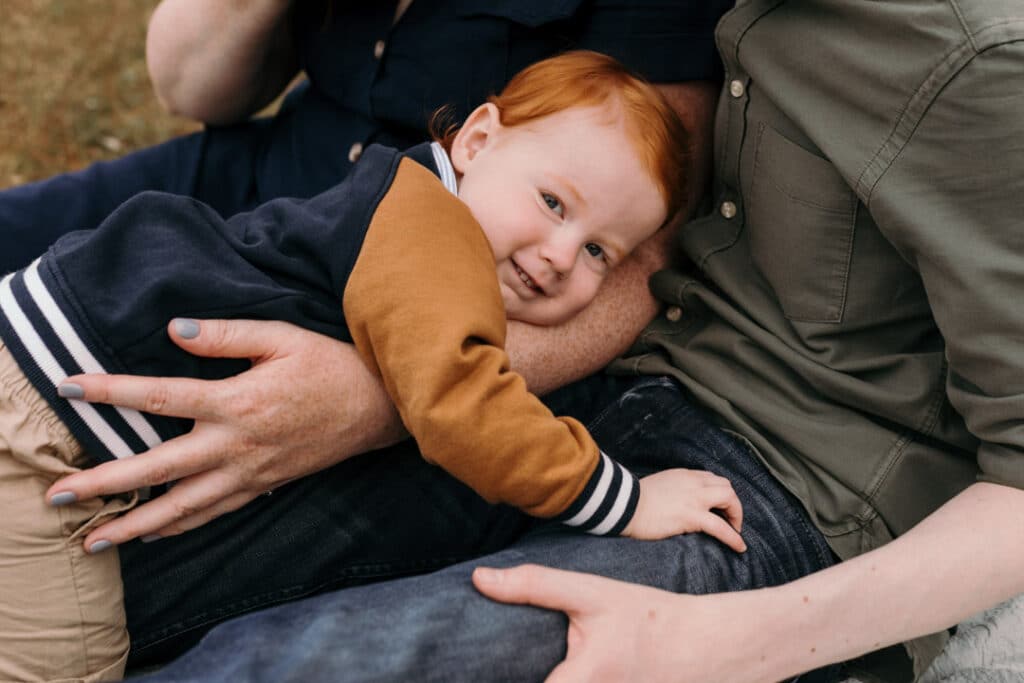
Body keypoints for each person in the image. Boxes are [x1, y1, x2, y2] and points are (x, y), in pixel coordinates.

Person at [55, 0, 1022, 681]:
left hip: (778, 486)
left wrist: (736, 643)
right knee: (116, 580)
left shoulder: (976, 61)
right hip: (598, 394)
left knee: (280, 667)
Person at [0, 51, 750, 682]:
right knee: (69, 662)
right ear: (479, 140)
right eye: (555, 202)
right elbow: (466, 406)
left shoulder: (404, 195)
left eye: (599, 252)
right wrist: (625, 501)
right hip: (42, 429)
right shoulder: (432, 235)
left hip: (51, 381)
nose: (560, 256)